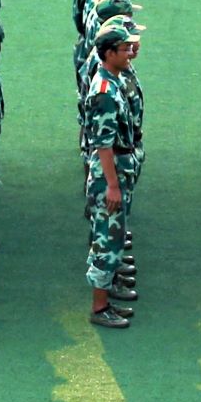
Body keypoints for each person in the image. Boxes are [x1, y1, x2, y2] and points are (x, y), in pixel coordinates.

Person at [83, 19, 143, 327]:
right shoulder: (105, 91)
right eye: (124, 48)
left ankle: (106, 296)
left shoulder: (114, 80)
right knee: (107, 239)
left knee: (113, 235)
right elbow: (103, 144)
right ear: (108, 53)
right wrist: (112, 185)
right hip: (111, 170)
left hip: (119, 166)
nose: (130, 52)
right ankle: (99, 307)